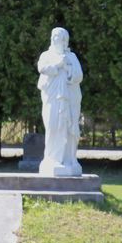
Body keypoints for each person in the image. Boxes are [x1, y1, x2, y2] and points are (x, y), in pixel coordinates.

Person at [37, 27, 83, 176]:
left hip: (69, 99)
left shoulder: (72, 57)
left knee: (68, 126)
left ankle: (68, 160)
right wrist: (57, 65)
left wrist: (68, 68)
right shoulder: (46, 55)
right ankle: (52, 159)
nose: (55, 38)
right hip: (52, 97)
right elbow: (42, 68)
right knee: (53, 125)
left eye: (59, 36)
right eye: (53, 36)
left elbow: (79, 75)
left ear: (65, 40)